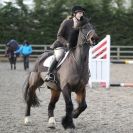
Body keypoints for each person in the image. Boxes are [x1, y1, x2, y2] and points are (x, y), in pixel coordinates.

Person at [44, 5, 89, 82]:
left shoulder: (83, 24)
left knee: (83, 56)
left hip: (74, 47)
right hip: (62, 45)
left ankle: (85, 73)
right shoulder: (66, 22)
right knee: (59, 55)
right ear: (74, 14)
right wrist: (66, 43)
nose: (81, 15)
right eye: (79, 13)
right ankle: (49, 73)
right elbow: (59, 36)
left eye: (82, 13)